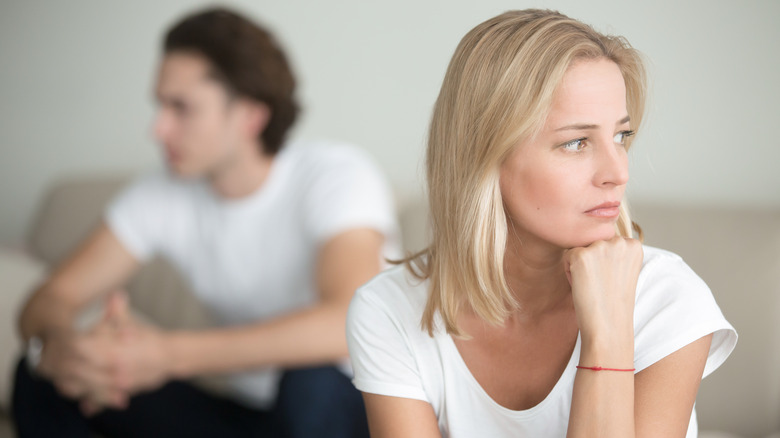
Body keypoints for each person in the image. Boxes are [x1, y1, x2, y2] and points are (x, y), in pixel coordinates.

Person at [346, 9, 737, 438]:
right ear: (484, 155)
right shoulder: (389, 310)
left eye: (620, 136)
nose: (617, 172)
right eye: (576, 142)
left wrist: (607, 331)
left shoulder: (667, 299)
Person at [13, 7, 398, 438]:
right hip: (250, 416)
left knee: (310, 383)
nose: (158, 129)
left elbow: (346, 323)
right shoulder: (161, 193)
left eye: (181, 108)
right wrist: (64, 348)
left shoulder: (335, 175)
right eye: (160, 105)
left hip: (351, 407)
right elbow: (50, 296)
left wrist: (166, 354)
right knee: (36, 374)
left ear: (251, 115)